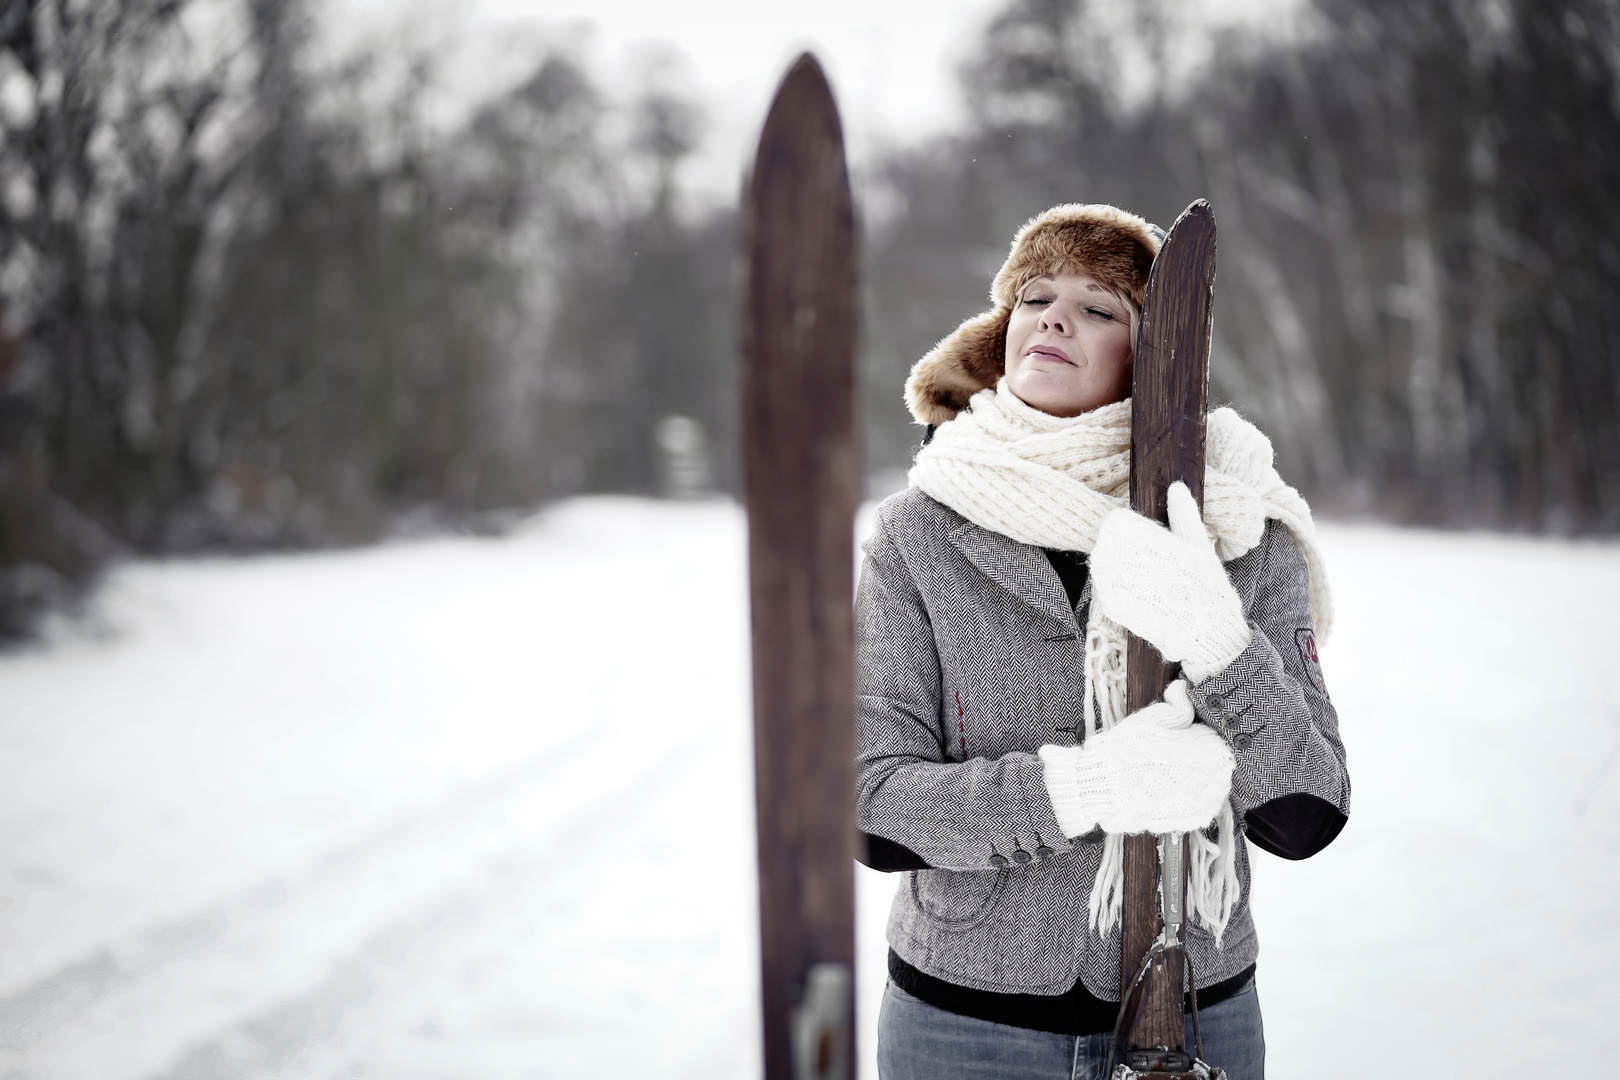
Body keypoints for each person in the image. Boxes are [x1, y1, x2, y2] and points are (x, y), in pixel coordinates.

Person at [855, 203, 1350, 1080]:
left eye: (1099, 306)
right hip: (963, 1030)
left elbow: (1306, 812)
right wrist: (1080, 790)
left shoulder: (1241, 528)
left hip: (1192, 1018)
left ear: (1157, 355)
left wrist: (1219, 644)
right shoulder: (917, 535)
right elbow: (870, 802)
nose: (1053, 316)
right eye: (1035, 297)